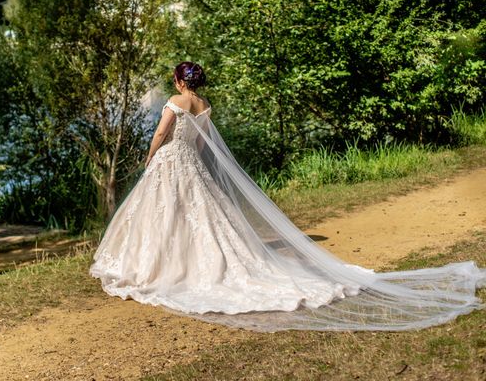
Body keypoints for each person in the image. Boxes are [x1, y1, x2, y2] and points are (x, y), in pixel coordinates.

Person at [90, 62, 486, 332]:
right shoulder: (206, 105)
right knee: (202, 215)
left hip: (171, 163)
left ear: (179, 82)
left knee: (165, 214)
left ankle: (160, 265)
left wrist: (150, 154)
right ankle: (186, 260)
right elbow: (207, 142)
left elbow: (161, 134)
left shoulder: (176, 104)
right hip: (190, 164)